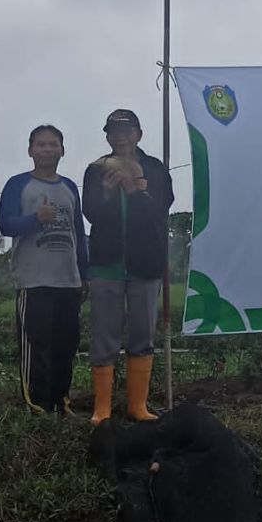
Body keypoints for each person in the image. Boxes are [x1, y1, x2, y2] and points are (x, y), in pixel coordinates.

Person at [82, 108, 174, 425]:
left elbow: (160, 210)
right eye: (114, 132)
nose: (121, 137)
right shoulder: (95, 170)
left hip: (145, 263)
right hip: (107, 264)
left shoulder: (156, 170)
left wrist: (136, 192)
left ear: (138, 134)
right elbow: (90, 213)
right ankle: (102, 407)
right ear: (107, 136)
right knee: (104, 336)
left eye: (127, 131)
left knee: (142, 335)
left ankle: (138, 406)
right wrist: (108, 193)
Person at [0, 124, 89, 415]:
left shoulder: (70, 187)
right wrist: (36, 219)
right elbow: (6, 224)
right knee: (36, 346)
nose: (47, 150)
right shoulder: (17, 184)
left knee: (66, 345)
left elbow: (78, 233)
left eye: (53, 145)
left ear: (62, 150)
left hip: (68, 280)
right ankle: (37, 405)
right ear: (30, 150)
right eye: (41, 145)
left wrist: (83, 275)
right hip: (34, 280)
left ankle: (61, 401)